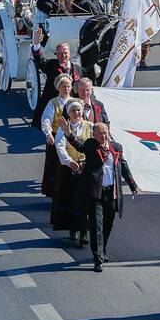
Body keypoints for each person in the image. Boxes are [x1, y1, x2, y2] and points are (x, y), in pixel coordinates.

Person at [61, 121, 139, 272]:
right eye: (100, 133)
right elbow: (79, 145)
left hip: (112, 193)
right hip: (95, 194)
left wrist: (132, 184)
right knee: (96, 226)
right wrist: (68, 132)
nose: (103, 136)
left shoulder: (116, 147)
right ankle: (97, 258)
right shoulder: (91, 146)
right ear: (94, 135)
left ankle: (103, 250)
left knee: (108, 225)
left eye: (105, 133)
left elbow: (123, 166)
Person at [51, 100, 92, 247]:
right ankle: (73, 229)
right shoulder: (64, 128)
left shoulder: (90, 126)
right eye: (73, 111)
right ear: (68, 113)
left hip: (86, 169)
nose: (76, 113)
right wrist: (69, 162)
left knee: (85, 201)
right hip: (70, 169)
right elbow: (60, 146)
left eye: (78, 110)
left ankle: (84, 233)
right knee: (71, 200)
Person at [30, 27, 84, 129]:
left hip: (71, 108)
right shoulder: (51, 65)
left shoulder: (78, 70)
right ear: (56, 54)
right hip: (54, 106)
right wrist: (36, 44)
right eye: (60, 53)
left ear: (70, 54)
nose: (63, 55)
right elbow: (39, 59)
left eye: (65, 53)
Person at [40, 74, 76, 197]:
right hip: (56, 136)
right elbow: (46, 120)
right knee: (54, 164)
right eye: (63, 86)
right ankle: (53, 190)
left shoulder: (74, 102)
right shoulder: (53, 103)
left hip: (70, 137)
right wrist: (49, 134)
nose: (66, 89)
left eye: (68, 86)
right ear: (58, 88)